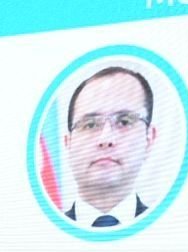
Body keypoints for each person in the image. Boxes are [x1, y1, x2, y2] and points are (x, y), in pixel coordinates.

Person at [62, 66, 158, 229]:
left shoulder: (174, 229)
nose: (106, 139)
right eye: (90, 125)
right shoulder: (41, 233)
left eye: (124, 122)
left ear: (149, 139)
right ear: (68, 143)